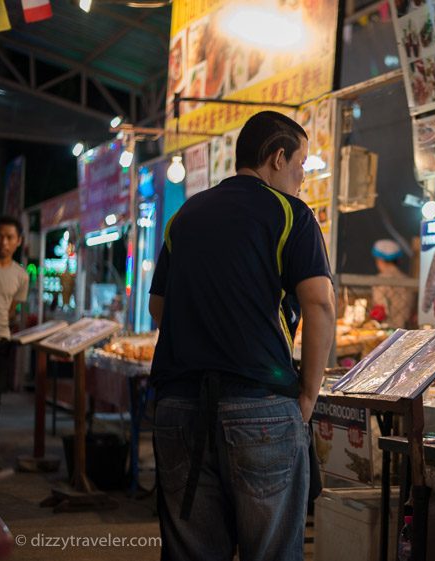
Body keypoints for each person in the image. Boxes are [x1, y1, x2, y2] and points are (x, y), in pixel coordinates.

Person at [148, 111, 336, 561]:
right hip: (260, 408)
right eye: (301, 164)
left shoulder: (186, 214)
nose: (302, 176)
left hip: (177, 406)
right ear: (276, 157)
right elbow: (321, 304)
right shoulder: (291, 214)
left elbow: (159, 308)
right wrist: (308, 394)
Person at [0, 216, 27, 419]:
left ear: (19, 240)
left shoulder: (21, 276)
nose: (4, 242)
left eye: (9, 237)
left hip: (1, 341)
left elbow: (12, 310)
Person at [370, 238, 412, 328]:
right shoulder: (407, 280)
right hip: (405, 330)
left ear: (380, 259)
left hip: (387, 329)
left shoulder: (380, 280)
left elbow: (380, 311)